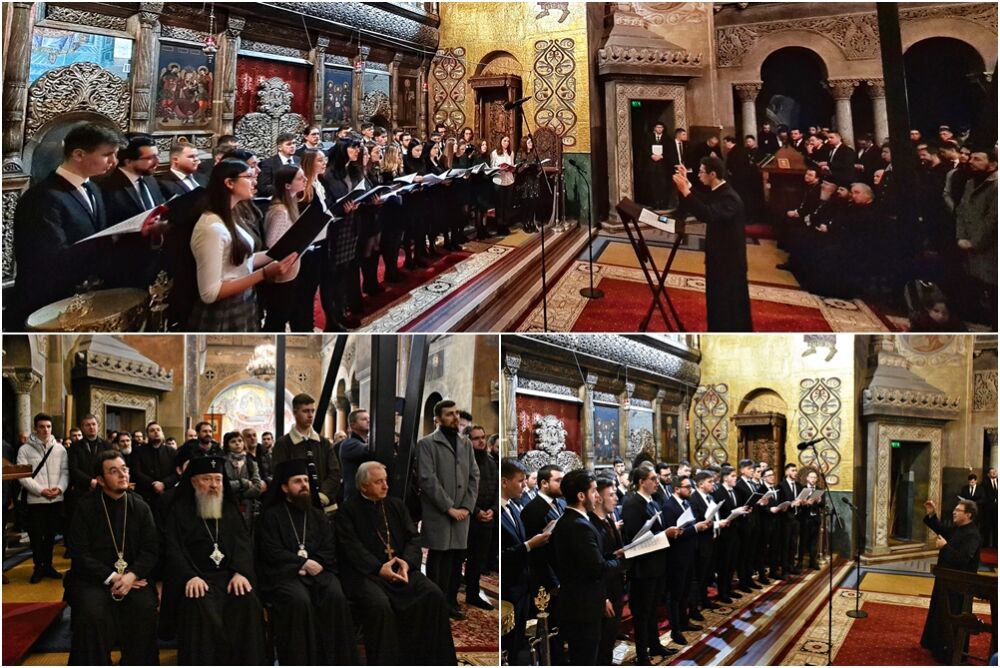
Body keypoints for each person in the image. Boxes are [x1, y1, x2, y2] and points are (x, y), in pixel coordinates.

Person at [336, 461, 458, 665]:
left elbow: (413, 538)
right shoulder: (348, 510)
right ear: (363, 486)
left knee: (434, 594)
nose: (385, 486)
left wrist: (407, 563)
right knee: (380, 606)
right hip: (367, 574)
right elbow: (351, 547)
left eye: (385, 481)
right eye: (378, 482)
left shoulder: (396, 505)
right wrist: (378, 568)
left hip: (402, 569)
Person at [10, 123, 123, 327]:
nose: (114, 161)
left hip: (83, 299)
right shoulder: (43, 197)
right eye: (107, 154)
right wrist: (109, 240)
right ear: (78, 155)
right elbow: (49, 258)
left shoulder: (93, 189)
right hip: (47, 305)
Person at [162, 455, 266, 664]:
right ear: (193, 482)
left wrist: (240, 572)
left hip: (229, 576)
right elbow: (172, 550)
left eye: (218, 480)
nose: (214, 485)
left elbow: (244, 544)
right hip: (197, 578)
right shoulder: (179, 511)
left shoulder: (229, 509)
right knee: (198, 602)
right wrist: (189, 577)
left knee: (247, 599)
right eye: (207, 479)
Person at [256, 459, 359, 665]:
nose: (304, 485)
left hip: (319, 571)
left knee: (335, 595)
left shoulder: (318, 516)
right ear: (285, 487)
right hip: (284, 574)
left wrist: (317, 563)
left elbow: (329, 545)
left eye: (305, 480)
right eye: (297, 481)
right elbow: (271, 550)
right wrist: (300, 564)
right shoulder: (271, 516)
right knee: (298, 601)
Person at [66, 451, 159, 665]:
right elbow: (79, 552)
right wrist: (114, 577)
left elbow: (151, 549)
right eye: (114, 471)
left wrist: (130, 576)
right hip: (93, 579)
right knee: (92, 612)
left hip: (133, 579)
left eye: (124, 469)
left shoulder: (141, 506)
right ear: (99, 480)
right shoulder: (85, 507)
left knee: (144, 607)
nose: (122, 475)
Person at [188, 158, 297, 331]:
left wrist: (280, 252)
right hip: (224, 311)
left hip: (244, 299)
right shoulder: (211, 227)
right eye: (249, 177)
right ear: (230, 183)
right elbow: (210, 293)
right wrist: (264, 273)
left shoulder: (231, 215)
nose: (255, 182)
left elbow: (242, 260)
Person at [551, 469, 625, 665]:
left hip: (583, 603)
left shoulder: (576, 521)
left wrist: (613, 556)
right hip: (583, 607)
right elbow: (597, 569)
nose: (597, 496)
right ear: (581, 496)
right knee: (585, 659)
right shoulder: (578, 525)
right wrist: (624, 561)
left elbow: (589, 560)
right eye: (594, 491)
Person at [672, 156, 753, 331]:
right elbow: (704, 200)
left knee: (727, 305)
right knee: (716, 301)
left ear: (713, 174)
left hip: (729, 263)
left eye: (701, 172)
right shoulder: (719, 191)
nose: (699, 175)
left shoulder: (730, 198)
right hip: (719, 258)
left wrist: (686, 191)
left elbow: (707, 214)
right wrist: (688, 184)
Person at [417, 399, 480, 619]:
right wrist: (449, 508)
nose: (455, 417)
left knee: (456, 561)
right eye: (449, 414)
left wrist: (466, 507)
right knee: (439, 560)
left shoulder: (465, 444)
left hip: (462, 513)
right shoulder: (426, 444)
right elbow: (427, 479)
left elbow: (474, 476)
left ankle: (451, 602)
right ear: (438, 419)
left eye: (456, 413)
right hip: (439, 513)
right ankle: (436, 603)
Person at [920, 499, 982, 661]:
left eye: (958, 510)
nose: (954, 512)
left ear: (968, 514)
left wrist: (944, 547)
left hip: (958, 586)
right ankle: (936, 645)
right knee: (939, 611)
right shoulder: (958, 528)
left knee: (951, 616)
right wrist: (932, 514)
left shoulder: (972, 535)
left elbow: (963, 559)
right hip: (946, 580)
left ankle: (949, 652)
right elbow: (941, 529)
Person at [500, 458, 549, 665]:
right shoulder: (500, 510)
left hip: (522, 585)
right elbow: (502, 554)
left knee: (518, 641)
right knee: (507, 643)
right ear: (504, 481)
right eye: (520, 481)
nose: (524, 485)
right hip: (508, 586)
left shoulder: (514, 507)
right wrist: (529, 545)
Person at [622, 465, 673, 664]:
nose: (657, 482)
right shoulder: (633, 504)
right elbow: (636, 542)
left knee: (653, 610)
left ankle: (656, 644)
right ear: (641, 482)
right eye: (653, 479)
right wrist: (665, 535)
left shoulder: (653, 501)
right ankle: (642, 654)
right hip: (643, 568)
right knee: (642, 613)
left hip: (657, 564)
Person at [17, 413, 69, 583]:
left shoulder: (60, 448)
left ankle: (48, 565)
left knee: (51, 535)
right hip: (36, 501)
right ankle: (38, 567)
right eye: (42, 426)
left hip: (55, 500)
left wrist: (59, 488)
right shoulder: (24, 449)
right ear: (35, 428)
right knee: (36, 536)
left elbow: (65, 472)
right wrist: (41, 491)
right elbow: (23, 476)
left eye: (48, 426)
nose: (45, 430)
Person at [661, 475, 711, 646]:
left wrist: (699, 526)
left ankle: (684, 621)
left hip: (689, 554)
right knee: (674, 594)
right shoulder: (669, 506)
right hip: (676, 557)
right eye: (687, 487)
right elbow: (674, 534)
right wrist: (695, 528)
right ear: (676, 489)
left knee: (685, 591)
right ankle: (676, 630)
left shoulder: (686, 503)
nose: (690, 489)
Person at [271, 393, 341, 508]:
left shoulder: (323, 443)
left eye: (312, 411)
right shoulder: (283, 444)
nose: (310, 415)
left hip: (325, 504)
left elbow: (334, 472)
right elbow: (279, 475)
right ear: (295, 412)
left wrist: (323, 495)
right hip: (296, 504)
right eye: (305, 411)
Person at [262, 164, 308, 332]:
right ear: (287, 185)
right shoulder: (280, 210)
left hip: (290, 269)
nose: (305, 180)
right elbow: (272, 244)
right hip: (281, 274)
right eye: (300, 178)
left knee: (284, 314)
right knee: (276, 320)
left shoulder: (291, 204)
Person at [954, 151, 997, 328]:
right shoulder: (971, 183)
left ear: (993, 164)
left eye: (977, 159)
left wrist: (975, 242)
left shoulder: (996, 185)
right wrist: (961, 237)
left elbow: (994, 219)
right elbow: (962, 211)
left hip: (990, 248)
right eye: (971, 158)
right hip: (970, 246)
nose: (971, 161)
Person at [591, 476, 626, 666]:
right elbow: (594, 565)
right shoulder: (592, 524)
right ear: (598, 497)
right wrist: (603, 597)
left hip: (616, 585)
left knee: (609, 639)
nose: (617, 498)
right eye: (611, 495)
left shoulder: (609, 519)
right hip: (604, 591)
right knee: (601, 640)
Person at [464, 425, 497, 610]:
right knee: (460, 557)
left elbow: (495, 490)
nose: (481, 441)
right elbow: (462, 490)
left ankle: (472, 593)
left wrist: (493, 509)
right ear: (468, 440)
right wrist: (476, 511)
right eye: (476, 438)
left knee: (478, 560)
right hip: (469, 517)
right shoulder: (465, 462)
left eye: (483, 437)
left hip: (487, 518)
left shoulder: (491, 463)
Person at [222, 431, 264, 525]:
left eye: (240, 441)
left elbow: (257, 487)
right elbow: (223, 486)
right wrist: (242, 483)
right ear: (227, 445)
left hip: (248, 508)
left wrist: (238, 494)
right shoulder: (222, 463)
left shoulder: (251, 463)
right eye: (233, 441)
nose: (237, 443)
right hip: (228, 507)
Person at [339, 408, 373, 501]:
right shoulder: (348, 444)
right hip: (355, 498)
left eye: (369, 419)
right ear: (352, 425)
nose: (368, 421)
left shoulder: (364, 442)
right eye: (364, 419)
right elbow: (370, 451)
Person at [257, 132, 300, 198]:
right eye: (288, 144)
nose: (292, 146)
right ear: (280, 147)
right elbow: (263, 187)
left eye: (294, 143)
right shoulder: (268, 163)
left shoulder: (299, 160)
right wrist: (287, 189)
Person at [490, 135, 516, 235]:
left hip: (509, 180)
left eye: (508, 141)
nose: (507, 143)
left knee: (507, 205)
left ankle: (505, 225)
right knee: (499, 205)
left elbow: (512, 165)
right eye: (504, 141)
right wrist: (500, 168)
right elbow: (492, 167)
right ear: (500, 141)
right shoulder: (495, 153)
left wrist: (511, 168)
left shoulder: (511, 153)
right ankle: (499, 226)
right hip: (498, 180)